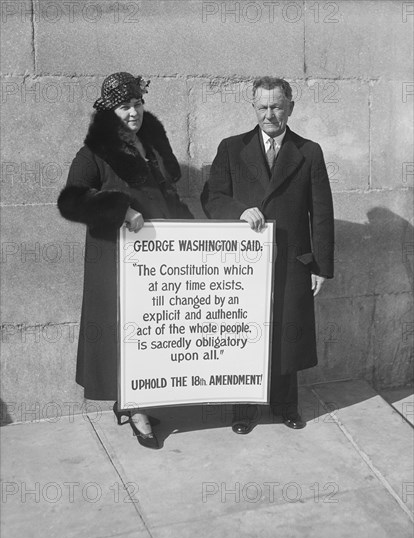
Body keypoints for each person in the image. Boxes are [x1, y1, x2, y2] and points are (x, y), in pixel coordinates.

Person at [58, 72, 193, 449]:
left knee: (148, 331)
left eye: (137, 104)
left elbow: (168, 194)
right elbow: (72, 199)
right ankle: (135, 408)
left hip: (154, 261)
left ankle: (138, 401)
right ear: (109, 112)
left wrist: (193, 237)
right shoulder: (93, 154)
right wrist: (121, 209)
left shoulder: (149, 149)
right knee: (123, 332)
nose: (132, 112)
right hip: (114, 261)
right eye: (124, 106)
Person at [201, 76, 334, 434]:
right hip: (244, 264)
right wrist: (239, 211)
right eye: (263, 107)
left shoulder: (309, 151)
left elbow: (320, 212)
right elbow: (211, 196)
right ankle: (242, 410)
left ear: (291, 106)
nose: (270, 114)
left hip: (293, 261)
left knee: (287, 336)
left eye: (277, 106)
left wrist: (320, 266)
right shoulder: (231, 148)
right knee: (245, 333)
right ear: (253, 108)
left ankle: (286, 405)